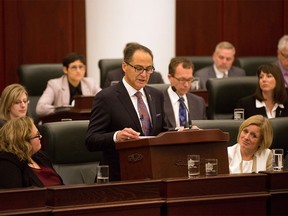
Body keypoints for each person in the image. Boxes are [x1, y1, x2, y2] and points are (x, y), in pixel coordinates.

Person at [85, 43, 167, 181]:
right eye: (138, 68)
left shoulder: (157, 95)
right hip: (118, 177)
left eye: (149, 69)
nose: (144, 74)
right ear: (124, 66)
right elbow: (91, 140)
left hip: (151, 175)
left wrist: (181, 132)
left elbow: (161, 131)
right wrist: (116, 136)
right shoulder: (106, 98)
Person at [0, 116, 63, 188]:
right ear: (24, 142)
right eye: (37, 135)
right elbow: (15, 197)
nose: (41, 136)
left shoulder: (41, 156)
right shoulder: (7, 165)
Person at [36, 52, 101, 117]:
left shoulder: (91, 83)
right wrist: (63, 109)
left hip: (84, 121)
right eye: (74, 67)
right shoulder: (54, 84)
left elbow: (104, 100)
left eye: (81, 67)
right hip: (62, 122)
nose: (78, 71)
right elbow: (40, 108)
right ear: (65, 70)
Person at [164, 57, 206, 130]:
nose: (186, 85)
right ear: (170, 78)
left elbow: (205, 129)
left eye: (190, 79)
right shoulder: (158, 101)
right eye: (182, 80)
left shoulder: (198, 102)